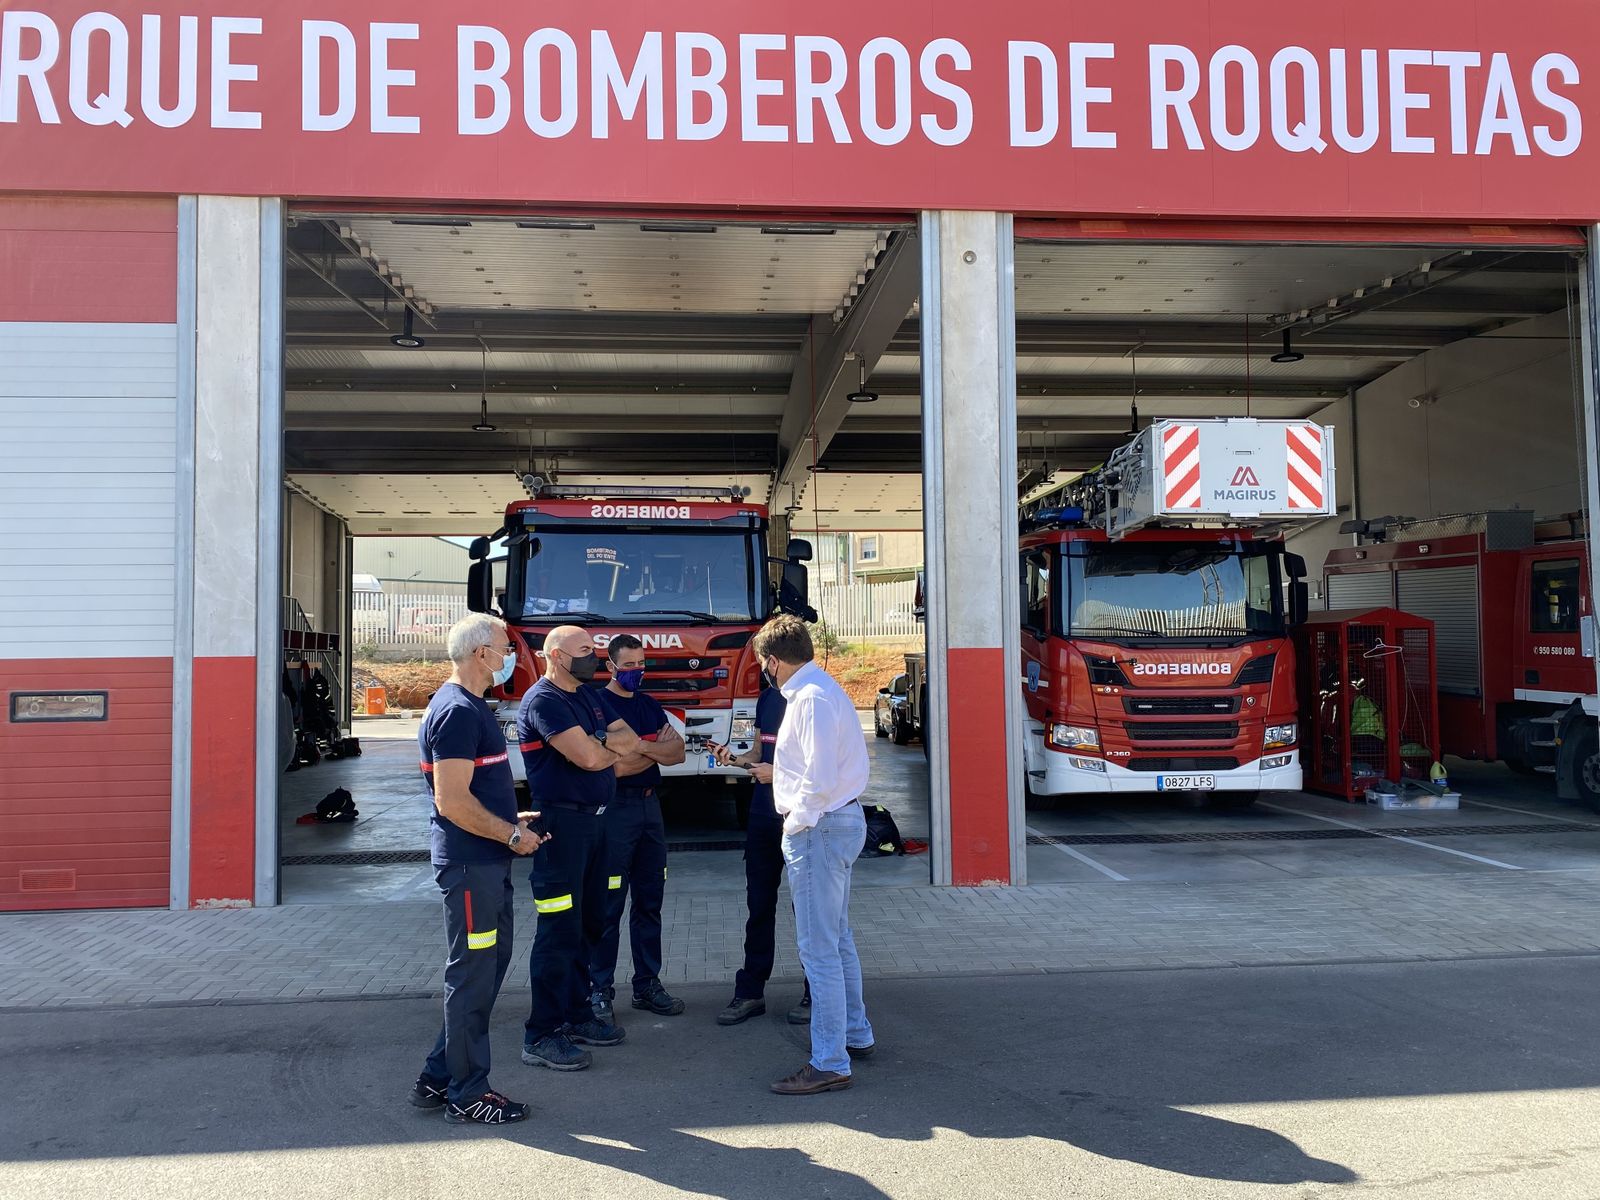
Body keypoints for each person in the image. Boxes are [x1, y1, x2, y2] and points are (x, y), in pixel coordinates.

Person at [412, 613, 545, 1125]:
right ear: (479, 653)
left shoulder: (469, 707)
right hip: (471, 868)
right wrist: (510, 834)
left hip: (484, 863)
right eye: (504, 645)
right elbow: (451, 801)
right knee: (471, 975)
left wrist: (513, 819)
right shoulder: (457, 711)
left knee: (484, 969)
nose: (510, 653)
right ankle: (468, 1092)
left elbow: (472, 793)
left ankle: (438, 1075)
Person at [753, 615, 875, 1095]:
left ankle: (829, 1060)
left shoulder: (810, 700)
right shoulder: (820, 691)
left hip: (818, 829)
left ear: (773, 661)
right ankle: (854, 1032)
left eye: (765, 663)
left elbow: (818, 778)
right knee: (837, 937)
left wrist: (796, 821)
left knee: (817, 948)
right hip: (832, 824)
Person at [517, 625, 642, 1071]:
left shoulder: (587, 697)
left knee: (592, 922)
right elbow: (590, 758)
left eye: (596, 650)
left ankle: (576, 1014)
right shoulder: (545, 701)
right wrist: (602, 748)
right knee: (558, 931)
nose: (595, 658)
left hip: (597, 826)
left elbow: (628, 744)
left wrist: (600, 745)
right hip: (561, 828)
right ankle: (542, 1033)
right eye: (586, 651)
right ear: (556, 656)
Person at [588, 634, 689, 1021]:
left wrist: (638, 748)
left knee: (650, 902)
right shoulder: (597, 705)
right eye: (628, 665)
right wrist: (652, 749)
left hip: (650, 811)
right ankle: (599, 990)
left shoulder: (648, 706)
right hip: (615, 812)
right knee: (608, 904)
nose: (636, 671)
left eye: (640, 664)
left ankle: (647, 985)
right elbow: (609, 767)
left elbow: (677, 753)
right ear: (611, 667)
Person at [714, 676, 811, 1027]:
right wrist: (735, 760)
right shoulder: (767, 699)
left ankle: (815, 992)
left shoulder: (810, 699)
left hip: (800, 818)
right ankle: (751, 992)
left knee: (809, 911)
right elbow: (758, 754)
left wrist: (779, 774)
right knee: (759, 906)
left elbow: (821, 767)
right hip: (762, 816)